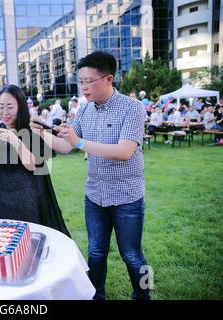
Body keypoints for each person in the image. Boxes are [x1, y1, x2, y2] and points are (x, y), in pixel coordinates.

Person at [31, 51, 150, 300]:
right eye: (81, 81)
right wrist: (41, 132)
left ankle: (144, 293)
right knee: (96, 252)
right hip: (95, 195)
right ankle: (96, 295)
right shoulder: (85, 111)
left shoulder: (133, 107)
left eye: (89, 81)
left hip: (127, 195)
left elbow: (125, 151)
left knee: (132, 254)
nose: (84, 87)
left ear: (109, 79)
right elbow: (66, 146)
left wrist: (80, 142)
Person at [0, 84, 70, 237]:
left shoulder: (32, 131)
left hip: (29, 203)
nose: (4, 112)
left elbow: (32, 165)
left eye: (10, 107)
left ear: (20, 107)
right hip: (1, 202)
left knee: (30, 248)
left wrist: (16, 141)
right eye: (1, 106)